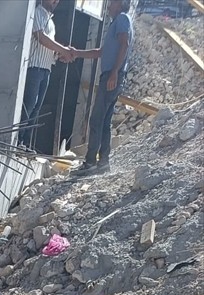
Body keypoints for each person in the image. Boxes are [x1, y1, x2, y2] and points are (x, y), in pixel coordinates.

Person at [74, 0, 133, 174]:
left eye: (112, 3)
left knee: (96, 119)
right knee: (105, 121)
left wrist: (114, 72)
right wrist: (77, 53)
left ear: (121, 4)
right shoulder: (117, 22)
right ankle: (103, 162)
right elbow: (101, 52)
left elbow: (125, 43)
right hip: (112, 74)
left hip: (112, 75)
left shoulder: (122, 18)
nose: (108, 6)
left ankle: (91, 162)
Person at [19, 0, 75, 152]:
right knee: (29, 105)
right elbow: (41, 37)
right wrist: (63, 50)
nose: (55, 2)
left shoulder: (51, 22)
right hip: (34, 67)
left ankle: (26, 143)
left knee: (36, 108)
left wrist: (59, 54)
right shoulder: (37, 13)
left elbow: (49, 46)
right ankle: (19, 141)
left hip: (45, 68)